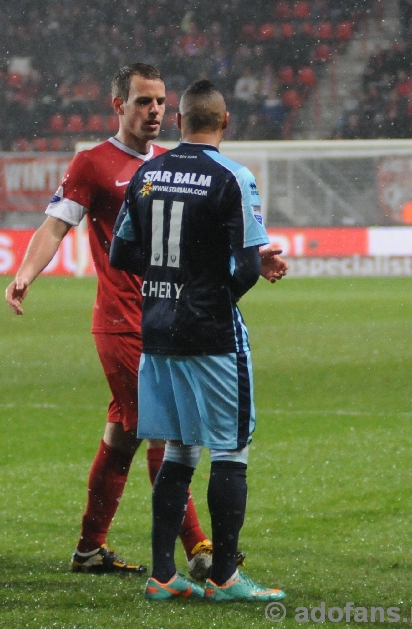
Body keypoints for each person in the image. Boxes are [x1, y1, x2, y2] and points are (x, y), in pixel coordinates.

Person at [5, 64, 213, 577]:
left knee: (123, 434)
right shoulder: (93, 164)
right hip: (120, 323)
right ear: (119, 106)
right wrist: (26, 273)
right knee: (166, 430)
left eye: (162, 101)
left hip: (168, 321)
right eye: (144, 101)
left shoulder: (170, 163)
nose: (156, 111)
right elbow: (55, 225)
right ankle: (199, 549)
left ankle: (89, 550)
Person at [110, 79, 288, 601]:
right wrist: (211, 290)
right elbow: (249, 265)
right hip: (211, 333)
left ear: (179, 120)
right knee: (231, 449)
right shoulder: (233, 176)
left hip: (158, 329)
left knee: (180, 450)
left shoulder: (146, 173)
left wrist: (173, 279)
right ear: (225, 121)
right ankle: (225, 575)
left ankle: (163, 574)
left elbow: (121, 256)